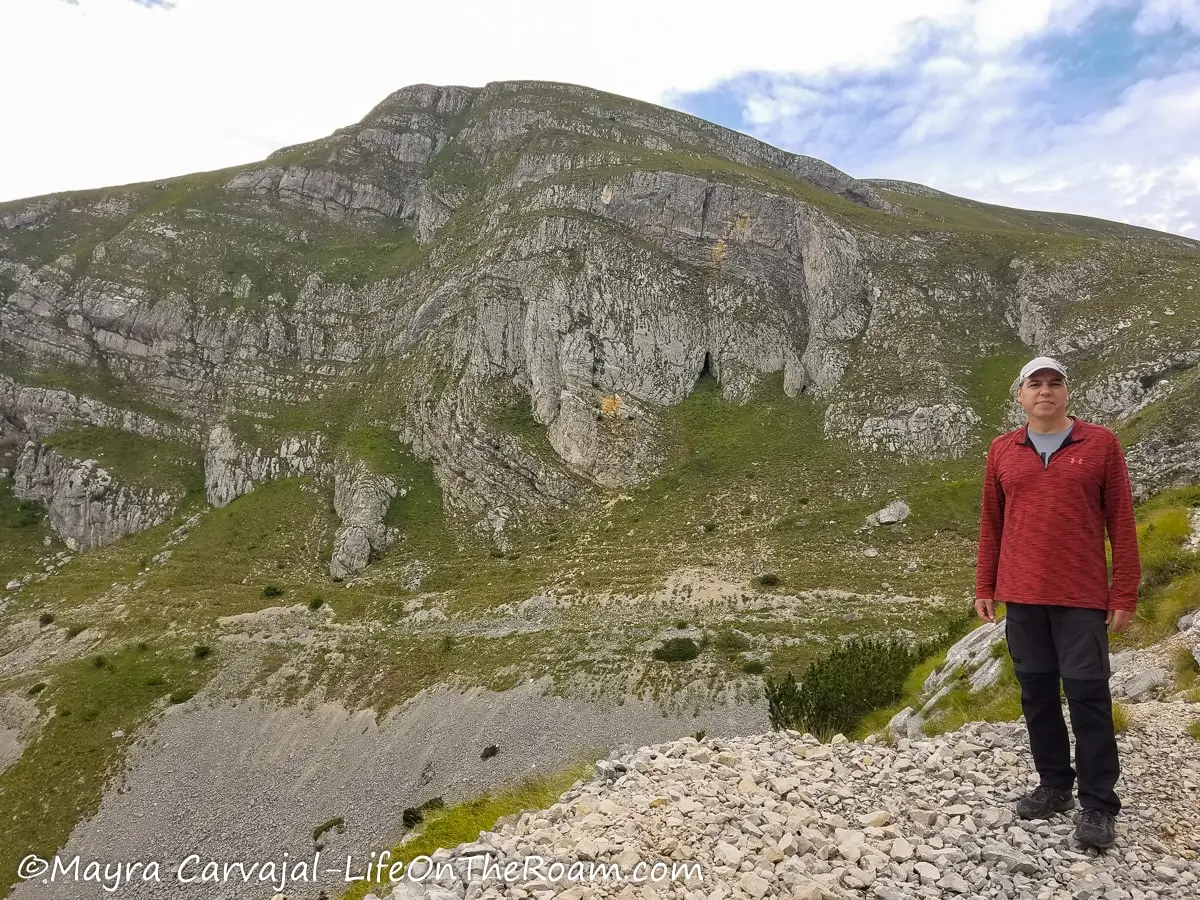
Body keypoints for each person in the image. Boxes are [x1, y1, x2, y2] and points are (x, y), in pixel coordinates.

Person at [974, 355, 1140, 851]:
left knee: (1089, 697)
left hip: (1082, 597)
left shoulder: (1101, 444)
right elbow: (991, 524)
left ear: (1067, 392)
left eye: (1054, 383)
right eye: (1035, 384)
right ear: (1020, 396)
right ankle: (1053, 786)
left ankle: (1097, 805)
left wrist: (1124, 591)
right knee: (1038, 695)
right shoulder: (1003, 450)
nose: (1044, 391)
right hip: (1022, 596)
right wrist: (986, 585)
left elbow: (1122, 523)